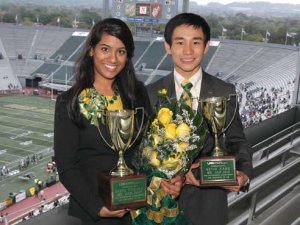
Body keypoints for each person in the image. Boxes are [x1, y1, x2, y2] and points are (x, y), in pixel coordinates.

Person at [54, 18, 181, 225]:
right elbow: (66, 166)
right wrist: (97, 207)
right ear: (91, 50)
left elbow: (150, 149)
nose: (113, 58)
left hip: (141, 208)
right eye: (105, 49)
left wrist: (169, 179)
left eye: (121, 51)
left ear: (127, 56)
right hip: (99, 213)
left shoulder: (137, 93)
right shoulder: (69, 102)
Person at [147, 13, 253, 225]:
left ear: (206, 47)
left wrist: (244, 173)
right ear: (168, 47)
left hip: (209, 207)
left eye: (195, 43)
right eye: (180, 42)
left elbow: (237, 140)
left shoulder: (225, 91)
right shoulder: (149, 93)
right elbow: (142, 151)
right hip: (162, 206)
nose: (188, 51)